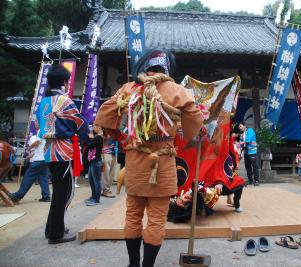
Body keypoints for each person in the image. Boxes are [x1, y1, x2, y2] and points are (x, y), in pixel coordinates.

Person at [94, 50, 203, 267]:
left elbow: (106, 114)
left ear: (145, 67)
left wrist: (119, 136)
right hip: (162, 163)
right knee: (156, 220)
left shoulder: (129, 88)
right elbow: (195, 118)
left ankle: (133, 264)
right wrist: (190, 135)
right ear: (166, 68)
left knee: (133, 215)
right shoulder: (177, 91)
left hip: (135, 162)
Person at [36, 64, 88, 244]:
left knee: (58, 192)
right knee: (63, 193)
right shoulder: (65, 101)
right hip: (64, 150)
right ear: (65, 82)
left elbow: (38, 126)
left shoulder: (42, 103)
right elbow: (81, 124)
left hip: (48, 150)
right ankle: (55, 234)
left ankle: (51, 228)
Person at [10, 132, 50, 202]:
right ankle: (46, 196)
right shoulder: (45, 130)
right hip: (44, 158)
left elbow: (37, 143)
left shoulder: (40, 131)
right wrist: (29, 155)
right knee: (43, 178)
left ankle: (19, 195)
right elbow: (38, 147)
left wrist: (29, 147)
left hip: (38, 160)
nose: (35, 122)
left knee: (28, 177)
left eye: (37, 121)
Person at [85, 127, 103, 206]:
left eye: (95, 126)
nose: (93, 128)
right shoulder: (96, 137)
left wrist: (91, 137)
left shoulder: (99, 137)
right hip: (92, 161)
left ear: (99, 127)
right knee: (91, 180)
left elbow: (90, 145)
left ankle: (96, 199)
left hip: (96, 161)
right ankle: (93, 196)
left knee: (96, 181)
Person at [238, 122, 259, 186]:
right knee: (247, 166)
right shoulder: (242, 134)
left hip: (252, 151)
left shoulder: (250, 130)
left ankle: (256, 180)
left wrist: (240, 143)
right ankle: (250, 180)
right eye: (239, 127)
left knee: (254, 166)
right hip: (246, 151)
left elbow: (248, 140)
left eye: (241, 126)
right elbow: (241, 142)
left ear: (244, 126)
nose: (240, 128)